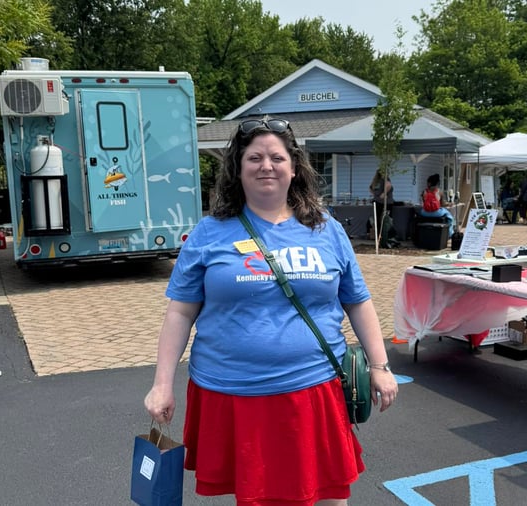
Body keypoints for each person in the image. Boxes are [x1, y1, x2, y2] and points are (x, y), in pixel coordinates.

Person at [144, 117, 398, 505]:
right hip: (234, 394)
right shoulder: (210, 232)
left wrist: (380, 367)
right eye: (254, 157)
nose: (266, 165)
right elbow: (180, 313)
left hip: (313, 390)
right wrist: (162, 384)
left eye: (276, 157)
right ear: (238, 168)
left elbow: (358, 301)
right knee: (258, 498)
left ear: (294, 168)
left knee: (329, 497)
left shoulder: (325, 229)